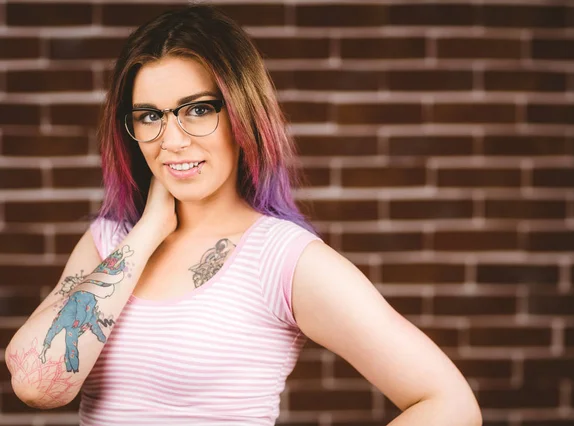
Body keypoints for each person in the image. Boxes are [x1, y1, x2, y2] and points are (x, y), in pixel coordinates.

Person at [5, 4, 482, 426]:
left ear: (242, 115)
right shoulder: (109, 242)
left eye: (198, 109)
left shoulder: (281, 258)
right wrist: (148, 230)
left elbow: (449, 404)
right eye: (150, 116)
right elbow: (35, 384)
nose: (171, 141)